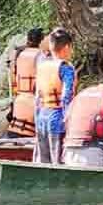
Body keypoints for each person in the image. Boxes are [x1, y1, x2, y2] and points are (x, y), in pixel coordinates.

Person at [34, 28, 77, 164]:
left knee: (43, 160)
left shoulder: (42, 66)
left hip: (42, 118)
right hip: (58, 119)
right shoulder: (65, 68)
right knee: (58, 161)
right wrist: (68, 120)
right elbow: (66, 96)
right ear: (66, 47)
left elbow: (37, 98)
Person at [7, 28, 44, 138]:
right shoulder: (41, 56)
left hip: (19, 99)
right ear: (41, 41)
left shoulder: (20, 54)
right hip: (34, 101)